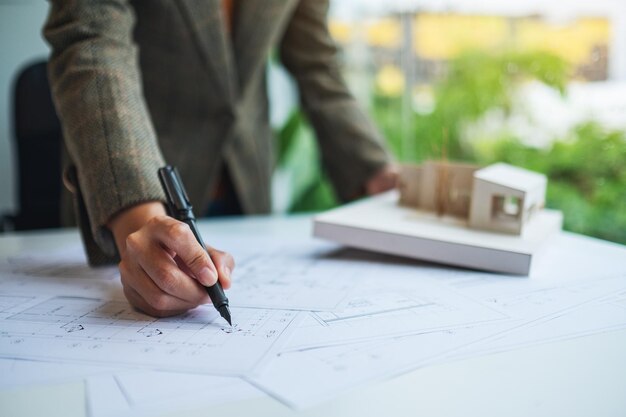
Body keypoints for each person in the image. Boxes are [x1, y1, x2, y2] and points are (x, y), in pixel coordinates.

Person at [44, 0, 397, 317]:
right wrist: (136, 210)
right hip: (134, 183)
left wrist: (377, 171)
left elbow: (316, 61)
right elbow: (91, 38)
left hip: (249, 190)